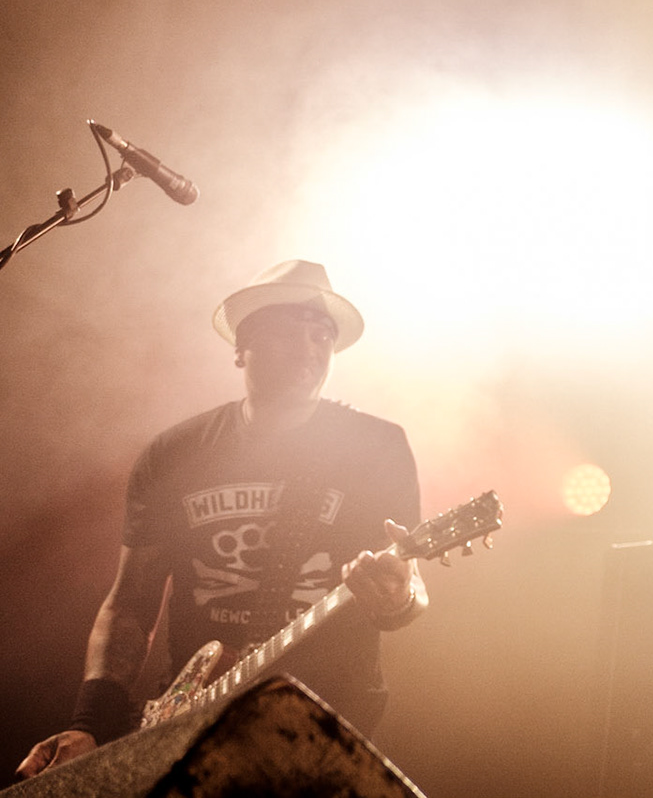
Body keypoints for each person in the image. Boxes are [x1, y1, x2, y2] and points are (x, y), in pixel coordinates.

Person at [15, 260, 426, 780]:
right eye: (287, 331)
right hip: (191, 722)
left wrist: (400, 599)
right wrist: (90, 723)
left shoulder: (376, 447)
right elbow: (130, 601)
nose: (309, 347)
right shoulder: (175, 454)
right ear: (241, 347)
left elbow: (408, 588)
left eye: (322, 333)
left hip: (322, 722)